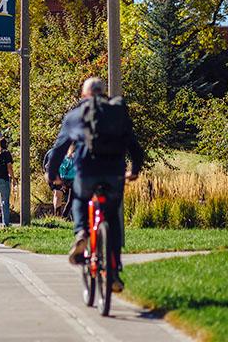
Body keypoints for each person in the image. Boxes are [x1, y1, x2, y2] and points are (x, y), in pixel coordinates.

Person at [47, 77, 143, 294]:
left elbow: (59, 150)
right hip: (114, 174)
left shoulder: (74, 116)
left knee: (80, 199)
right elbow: (134, 147)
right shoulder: (117, 113)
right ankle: (114, 272)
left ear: (84, 95)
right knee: (113, 218)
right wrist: (134, 170)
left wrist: (52, 175)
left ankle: (81, 233)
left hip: (87, 173)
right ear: (104, 92)